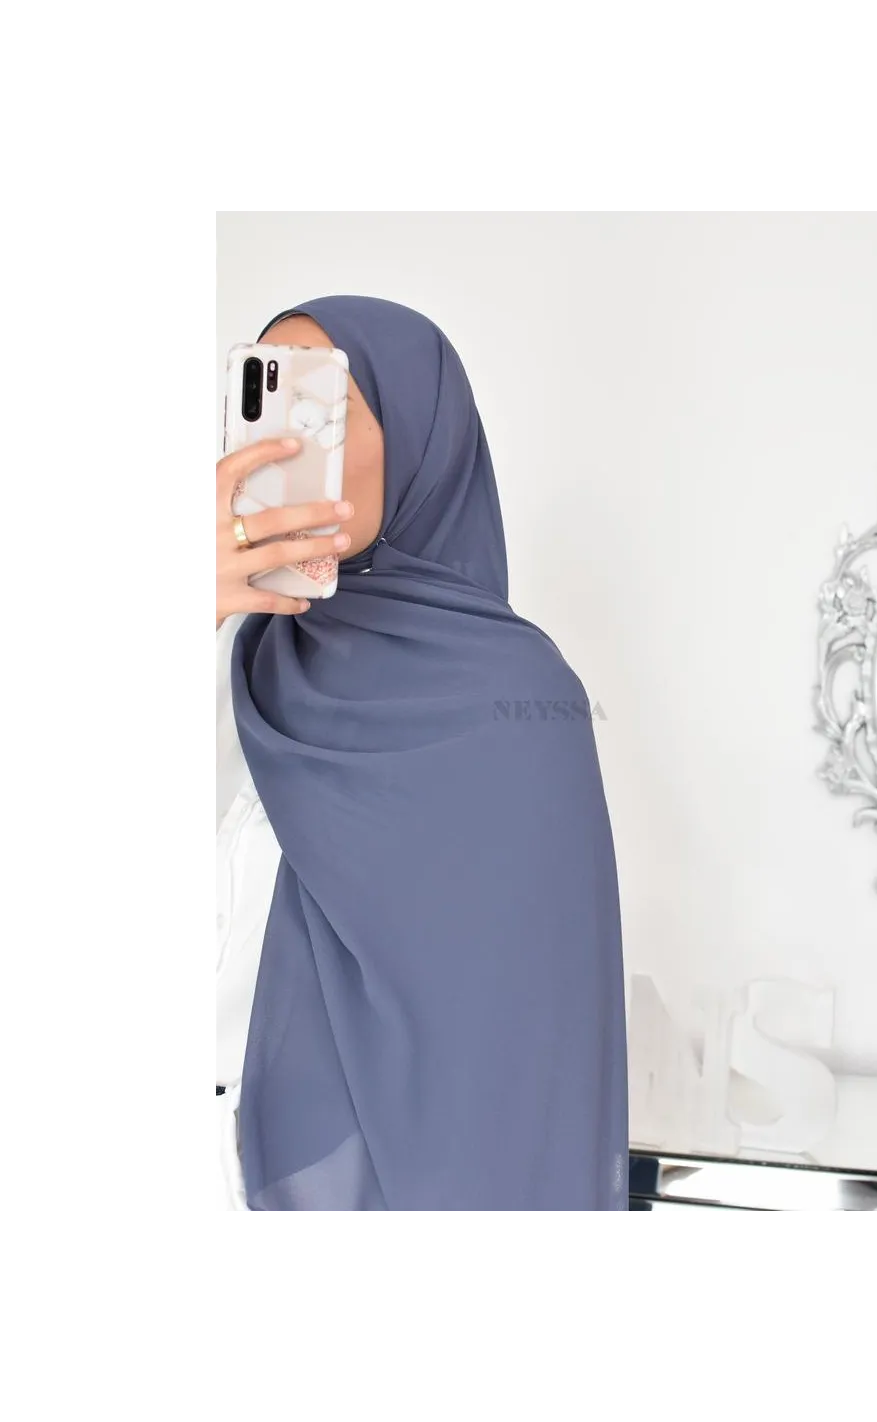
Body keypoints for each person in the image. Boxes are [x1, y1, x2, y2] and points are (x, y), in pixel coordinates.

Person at [215, 295, 629, 1214]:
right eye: (269, 397)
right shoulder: (234, 657)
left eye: (324, 403)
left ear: (418, 439)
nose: (286, 445)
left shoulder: (520, 698)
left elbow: (529, 1057)